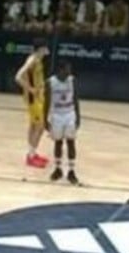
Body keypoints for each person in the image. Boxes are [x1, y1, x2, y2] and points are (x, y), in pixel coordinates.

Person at [15, 39, 51, 168]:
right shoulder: (32, 60)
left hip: (37, 97)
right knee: (40, 126)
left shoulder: (38, 59)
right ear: (40, 49)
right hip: (33, 98)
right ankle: (31, 156)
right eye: (45, 48)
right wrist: (31, 89)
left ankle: (32, 153)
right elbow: (18, 77)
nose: (47, 50)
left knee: (33, 125)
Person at [44, 60, 81, 184]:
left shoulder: (72, 80)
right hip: (56, 115)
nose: (69, 71)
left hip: (70, 114)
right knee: (58, 142)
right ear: (60, 70)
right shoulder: (50, 82)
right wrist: (45, 119)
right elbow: (46, 102)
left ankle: (71, 171)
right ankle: (58, 169)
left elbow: (76, 99)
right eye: (67, 69)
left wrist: (78, 117)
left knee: (71, 142)